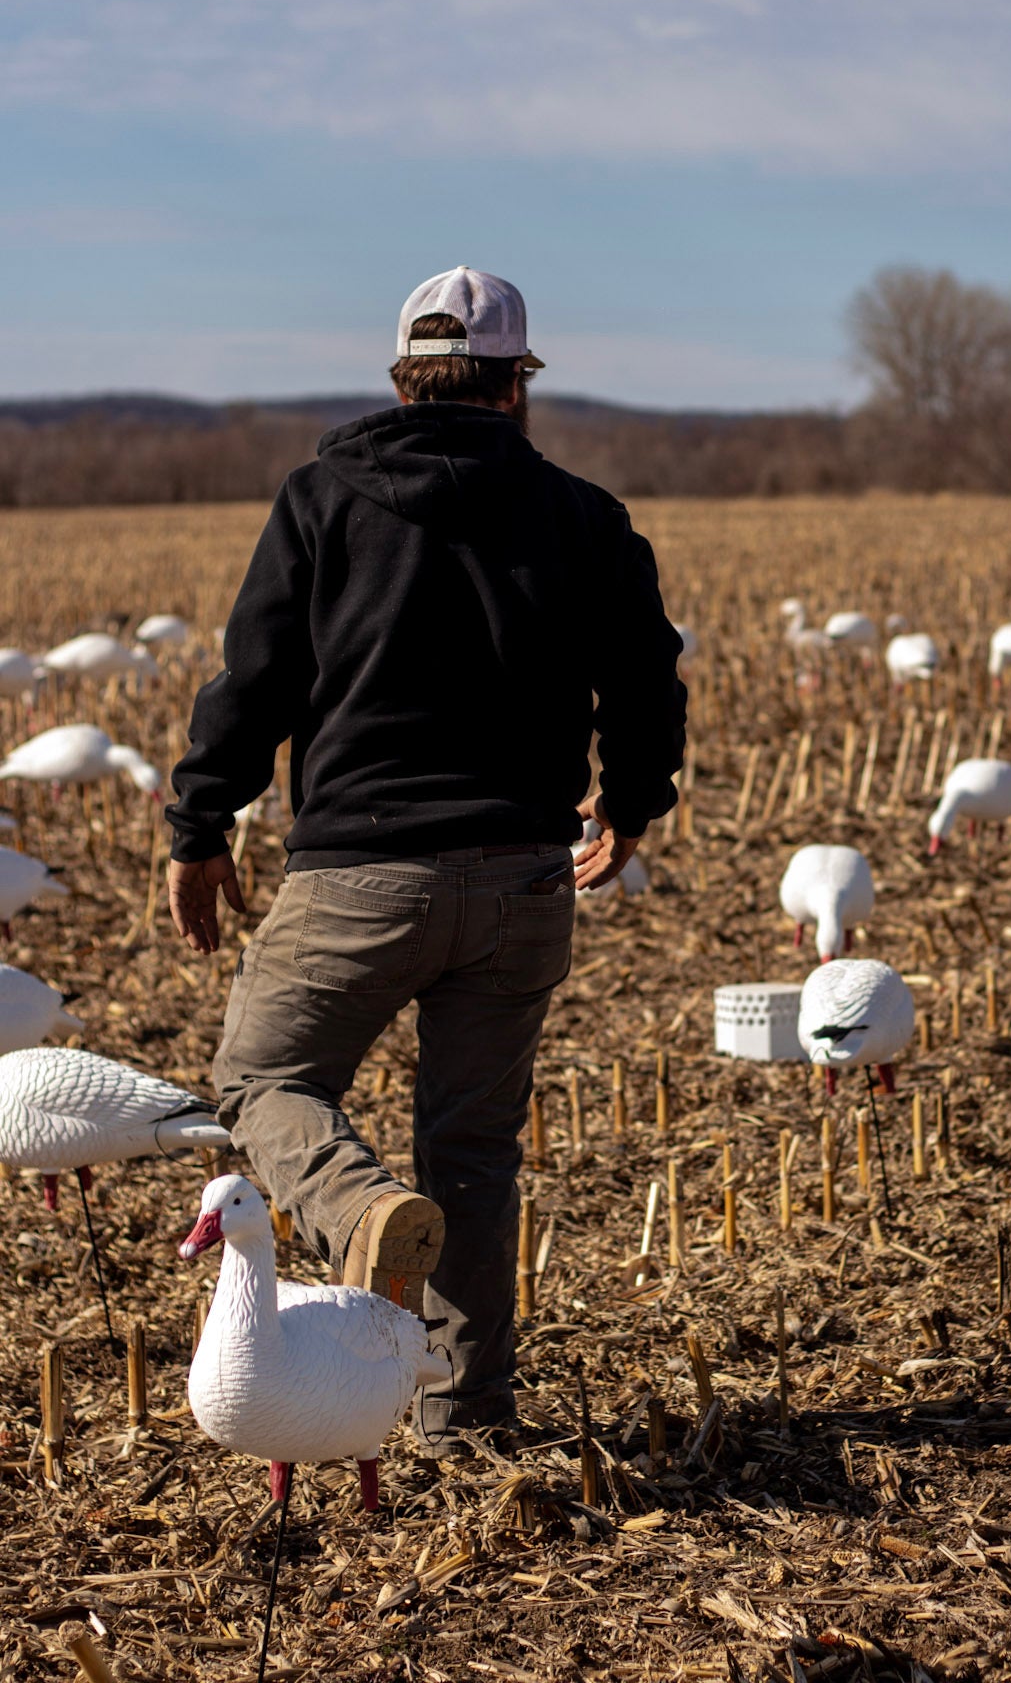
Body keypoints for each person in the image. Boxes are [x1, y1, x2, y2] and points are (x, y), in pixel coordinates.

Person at [166, 267, 686, 1441]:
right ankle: (469, 1412)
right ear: (516, 386)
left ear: (405, 380)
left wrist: (201, 823)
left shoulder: (320, 499)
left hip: (359, 874)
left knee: (263, 1076)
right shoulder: (585, 517)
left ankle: (358, 1212)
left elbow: (254, 680)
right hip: (523, 881)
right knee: (473, 1150)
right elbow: (647, 680)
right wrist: (632, 803)